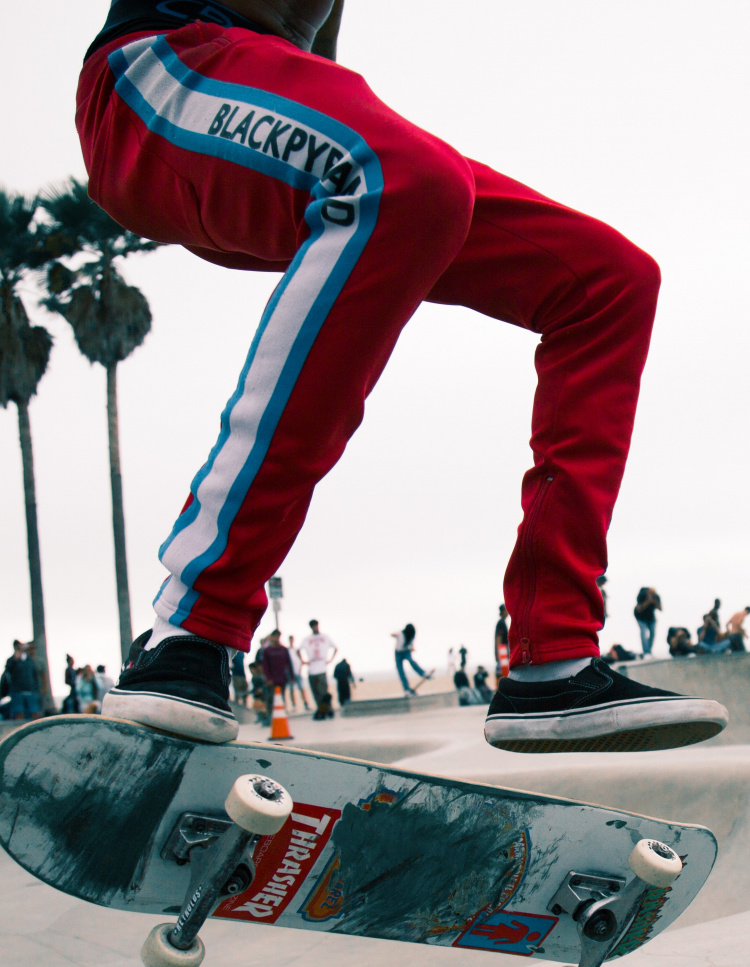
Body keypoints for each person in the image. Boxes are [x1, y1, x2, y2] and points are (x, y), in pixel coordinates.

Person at [81, 0, 726, 753]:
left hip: (262, 119)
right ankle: (192, 625)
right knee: (409, 176)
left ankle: (553, 657)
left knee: (609, 279)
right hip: (153, 83)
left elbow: (313, 57)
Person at [299, 620, 337, 711]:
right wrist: (303, 661)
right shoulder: (307, 639)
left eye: (315, 625)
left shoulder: (325, 637)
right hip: (311, 670)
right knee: (315, 691)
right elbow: (298, 650)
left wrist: (331, 659)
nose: (315, 627)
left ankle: (327, 709)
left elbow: (335, 647)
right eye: (313, 626)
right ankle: (321, 709)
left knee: (323, 691)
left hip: (322, 669)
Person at [4, 642, 41, 721]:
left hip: (30, 690)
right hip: (17, 691)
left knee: (35, 711)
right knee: (19, 712)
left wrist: (36, 688)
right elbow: (8, 671)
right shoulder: (11, 660)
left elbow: (35, 675)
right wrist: (15, 660)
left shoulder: (29, 660)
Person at [391, 624, 432, 696]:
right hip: (398, 653)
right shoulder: (401, 634)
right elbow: (392, 634)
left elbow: (411, 644)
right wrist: (394, 634)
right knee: (401, 671)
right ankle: (406, 689)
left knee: (411, 661)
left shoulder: (411, 636)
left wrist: (412, 648)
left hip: (407, 651)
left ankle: (423, 673)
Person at [260, 629, 294, 712]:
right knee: (272, 698)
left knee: (281, 698)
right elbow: (265, 666)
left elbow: (289, 663)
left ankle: (281, 714)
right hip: (272, 680)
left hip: (282, 678)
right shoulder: (267, 651)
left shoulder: (283, 649)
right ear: (272, 637)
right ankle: (270, 715)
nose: (276, 638)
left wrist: (291, 677)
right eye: (275, 636)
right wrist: (268, 678)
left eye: (278, 636)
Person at [634, 587, 661, 657]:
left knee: (653, 632)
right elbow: (639, 609)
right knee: (643, 632)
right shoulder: (642, 595)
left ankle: (648, 650)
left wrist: (654, 601)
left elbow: (660, 608)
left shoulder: (656, 597)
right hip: (640, 617)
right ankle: (646, 652)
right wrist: (648, 601)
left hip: (650, 617)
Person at [287, 635, 310, 710]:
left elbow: (301, 660)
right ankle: (293, 705)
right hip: (290, 673)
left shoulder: (296, 650)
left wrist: (301, 668)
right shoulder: (287, 650)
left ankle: (305, 704)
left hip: (298, 672)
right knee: (292, 690)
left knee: (301, 689)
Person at [494, 605, 510, 682]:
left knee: (504, 672)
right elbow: (498, 639)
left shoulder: (502, 622)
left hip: (503, 651)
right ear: (503, 611)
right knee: (503, 673)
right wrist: (499, 654)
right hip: (502, 652)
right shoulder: (501, 623)